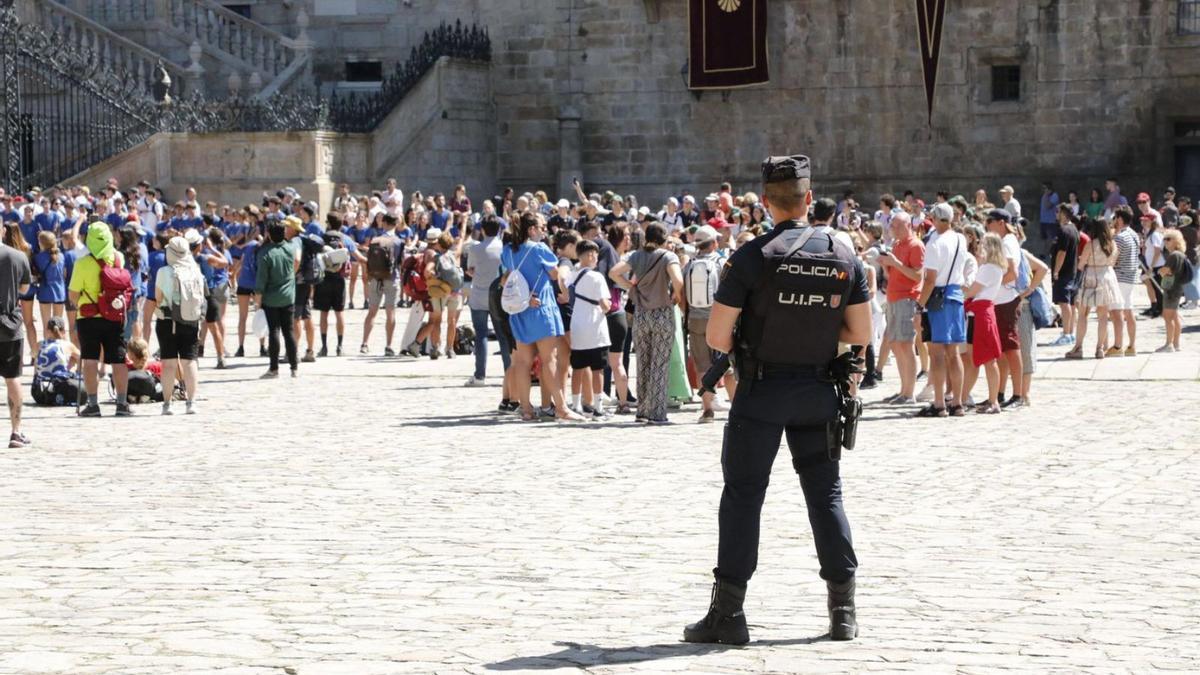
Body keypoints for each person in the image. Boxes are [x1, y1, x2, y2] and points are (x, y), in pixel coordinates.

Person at [684, 155, 871, 646]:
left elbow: (719, 337)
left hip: (763, 392)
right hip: (817, 392)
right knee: (826, 497)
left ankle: (729, 614)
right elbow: (861, 333)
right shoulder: (844, 256)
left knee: (744, 498)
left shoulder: (752, 257)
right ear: (809, 199)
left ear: (766, 202)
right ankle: (843, 611)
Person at [501, 212, 585, 423]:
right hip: (542, 308)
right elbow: (555, 274)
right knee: (550, 360)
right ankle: (561, 407)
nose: (545, 229)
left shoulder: (508, 251)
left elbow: (508, 277)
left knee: (522, 362)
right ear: (532, 229)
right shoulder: (539, 249)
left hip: (520, 309)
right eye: (541, 226)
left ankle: (526, 408)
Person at [610, 222, 683, 424]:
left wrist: (632, 290)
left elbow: (614, 272)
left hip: (641, 314)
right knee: (659, 363)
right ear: (664, 239)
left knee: (643, 362)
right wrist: (676, 296)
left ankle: (642, 410)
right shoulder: (668, 256)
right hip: (662, 313)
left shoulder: (636, 255)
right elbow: (678, 281)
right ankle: (657, 413)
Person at [68, 222, 133, 417]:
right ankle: (122, 403)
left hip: (88, 317)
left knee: (90, 359)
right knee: (119, 360)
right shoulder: (118, 258)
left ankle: (93, 404)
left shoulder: (82, 263)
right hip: (114, 315)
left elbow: (73, 295)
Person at [915, 203, 968, 417]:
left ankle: (939, 403)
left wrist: (919, 305)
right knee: (954, 354)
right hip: (956, 296)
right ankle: (957, 402)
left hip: (938, 298)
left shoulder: (934, 244)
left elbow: (930, 280)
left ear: (936, 219)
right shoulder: (960, 238)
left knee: (937, 353)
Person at [681, 225, 730, 422]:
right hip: (718, 317)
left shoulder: (690, 265)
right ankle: (735, 408)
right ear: (714, 243)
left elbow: (682, 294)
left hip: (695, 319)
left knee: (702, 365)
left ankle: (707, 409)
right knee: (728, 364)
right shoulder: (721, 262)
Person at [877, 212, 924, 404]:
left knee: (906, 344)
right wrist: (886, 265)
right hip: (894, 297)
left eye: (896, 226)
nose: (892, 229)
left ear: (907, 225)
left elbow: (917, 276)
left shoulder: (916, 245)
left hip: (907, 298)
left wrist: (894, 263)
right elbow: (894, 274)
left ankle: (909, 393)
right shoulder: (896, 245)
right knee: (896, 344)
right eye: (892, 226)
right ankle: (903, 390)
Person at [154, 236, 204, 414]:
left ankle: (167, 404)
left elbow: (158, 298)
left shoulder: (163, 272)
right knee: (190, 361)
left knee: (168, 363)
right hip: (190, 320)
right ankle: (191, 402)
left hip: (167, 321)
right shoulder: (195, 271)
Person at [983, 209, 1025, 408]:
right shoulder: (1008, 240)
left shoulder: (1007, 242)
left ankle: (1018, 394)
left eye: (989, 221)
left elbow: (1012, 273)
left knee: (1011, 347)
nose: (987, 225)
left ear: (1000, 222)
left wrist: (993, 284)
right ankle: (999, 393)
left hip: (1006, 300)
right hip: (1000, 300)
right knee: (1002, 350)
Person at [963, 234, 1007, 414]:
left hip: (981, 315)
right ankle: (964, 396)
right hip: (979, 313)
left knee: (988, 360)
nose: (980, 246)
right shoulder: (993, 268)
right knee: (976, 360)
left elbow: (972, 291)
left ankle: (993, 400)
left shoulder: (988, 268)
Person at [1066, 217, 1122, 359]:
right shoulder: (1113, 245)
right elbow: (1113, 262)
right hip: (1107, 276)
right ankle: (1100, 348)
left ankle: (1078, 347)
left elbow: (1081, 264)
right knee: (1103, 316)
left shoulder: (1091, 244)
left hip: (1092, 275)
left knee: (1083, 314)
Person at [567, 239, 611, 419]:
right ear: (591, 255)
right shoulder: (597, 277)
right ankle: (598, 408)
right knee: (597, 370)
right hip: (595, 328)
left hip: (577, 326)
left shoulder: (572, 274)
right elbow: (605, 304)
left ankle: (576, 405)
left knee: (578, 368)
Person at [464, 215, 510, 386]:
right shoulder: (504, 248)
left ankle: (480, 375)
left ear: (483, 230)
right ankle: (509, 372)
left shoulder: (475, 248)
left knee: (481, 334)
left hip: (479, 295)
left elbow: (470, 270)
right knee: (503, 336)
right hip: (498, 296)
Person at [0, 227, 32, 447]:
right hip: (9, 323)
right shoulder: (18, 256)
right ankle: (16, 431)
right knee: (13, 377)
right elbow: (24, 288)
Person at [256, 220, 299, 378]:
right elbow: (296, 262)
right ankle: (294, 367)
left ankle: (274, 368)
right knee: (289, 331)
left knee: (274, 331)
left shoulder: (266, 253)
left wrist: (258, 303)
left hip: (271, 298)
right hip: (288, 296)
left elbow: (261, 281)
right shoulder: (290, 248)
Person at [362, 215, 403, 355]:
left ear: (384, 223)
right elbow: (400, 262)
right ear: (396, 223)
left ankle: (364, 343)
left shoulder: (375, 240)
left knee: (372, 311)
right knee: (390, 312)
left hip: (375, 278)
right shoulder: (398, 241)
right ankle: (389, 345)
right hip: (391, 278)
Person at [1108, 207, 1140, 357]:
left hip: (1120, 277)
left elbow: (1113, 260)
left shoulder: (1119, 238)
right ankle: (1132, 346)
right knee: (1128, 310)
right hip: (1131, 276)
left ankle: (1117, 346)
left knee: (1117, 312)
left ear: (1120, 219)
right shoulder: (1134, 234)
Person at [3, 221, 37, 362]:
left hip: (10, 289)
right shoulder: (26, 247)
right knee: (28, 323)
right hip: (26, 286)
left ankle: (20, 357)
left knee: (17, 322)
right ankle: (34, 353)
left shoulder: (6, 249)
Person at [231, 225, 266, 357]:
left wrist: (234, 274)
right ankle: (262, 347)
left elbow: (242, 261)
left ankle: (240, 347)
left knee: (242, 317)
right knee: (260, 315)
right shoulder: (261, 247)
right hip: (257, 284)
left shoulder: (247, 246)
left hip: (244, 283)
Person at [1050, 206, 1081, 347]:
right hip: (1072, 270)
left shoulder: (1064, 230)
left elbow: (1061, 253)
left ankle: (1067, 333)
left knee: (1064, 303)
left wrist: (1056, 271)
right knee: (1070, 303)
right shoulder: (1074, 229)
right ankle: (1070, 332)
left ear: (1063, 214)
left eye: (1058, 212)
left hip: (1064, 272)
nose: (1056, 215)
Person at [32, 316, 79, 408]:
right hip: (60, 390)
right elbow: (82, 358)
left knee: (37, 357)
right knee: (74, 358)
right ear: (64, 331)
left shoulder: (39, 344)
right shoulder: (67, 345)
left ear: (47, 331)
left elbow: (34, 358)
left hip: (39, 393)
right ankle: (74, 378)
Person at [1156, 229, 1188, 353]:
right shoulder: (1180, 254)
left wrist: (1160, 271)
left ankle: (1169, 344)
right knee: (1174, 316)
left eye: (1168, 239)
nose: (1165, 242)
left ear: (1176, 241)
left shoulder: (1174, 255)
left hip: (1171, 289)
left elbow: (1165, 271)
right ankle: (1176, 344)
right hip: (1177, 288)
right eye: (1165, 239)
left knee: (1168, 316)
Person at [32, 231, 66, 341]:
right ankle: (59, 349)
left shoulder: (38, 257)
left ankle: (47, 350)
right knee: (59, 325)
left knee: (46, 325)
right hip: (59, 292)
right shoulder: (61, 256)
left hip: (45, 291)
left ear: (42, 243)